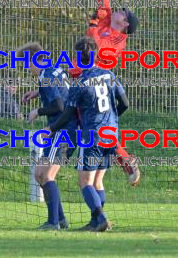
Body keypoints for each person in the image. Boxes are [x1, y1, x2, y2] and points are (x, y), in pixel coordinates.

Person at [70, 0, 140, 186]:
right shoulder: (106, 18)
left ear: (126, 23)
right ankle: (115, 158)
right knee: (87, 125)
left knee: (90, 125)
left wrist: (92, 28)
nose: (119, 11)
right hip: (80, 77)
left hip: (93, 85)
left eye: (123, 12)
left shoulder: (119, 40)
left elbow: (97, 49)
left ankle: (124, 159)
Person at [48, 36, 129, 232]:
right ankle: (96, 222)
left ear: (77, 58)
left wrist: (51, 129)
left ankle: (100, 218)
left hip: (92, 137)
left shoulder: (80, 82)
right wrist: (111, 117)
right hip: (111, 134)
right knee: (97, 181)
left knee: (85, 181)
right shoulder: (110, 74)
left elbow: (67, 114)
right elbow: (125, 104)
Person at [18, 42, 77, 231]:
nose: (27, 68)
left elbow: (59, 106)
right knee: (39, 174)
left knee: (47, 174)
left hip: (63, 130)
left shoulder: (46, 75)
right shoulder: (53, 69)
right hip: (63, 129)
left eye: (26, 63)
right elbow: (62, 90)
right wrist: (38, 93)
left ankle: (53, 223)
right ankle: (60, 220)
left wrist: (38, 111)